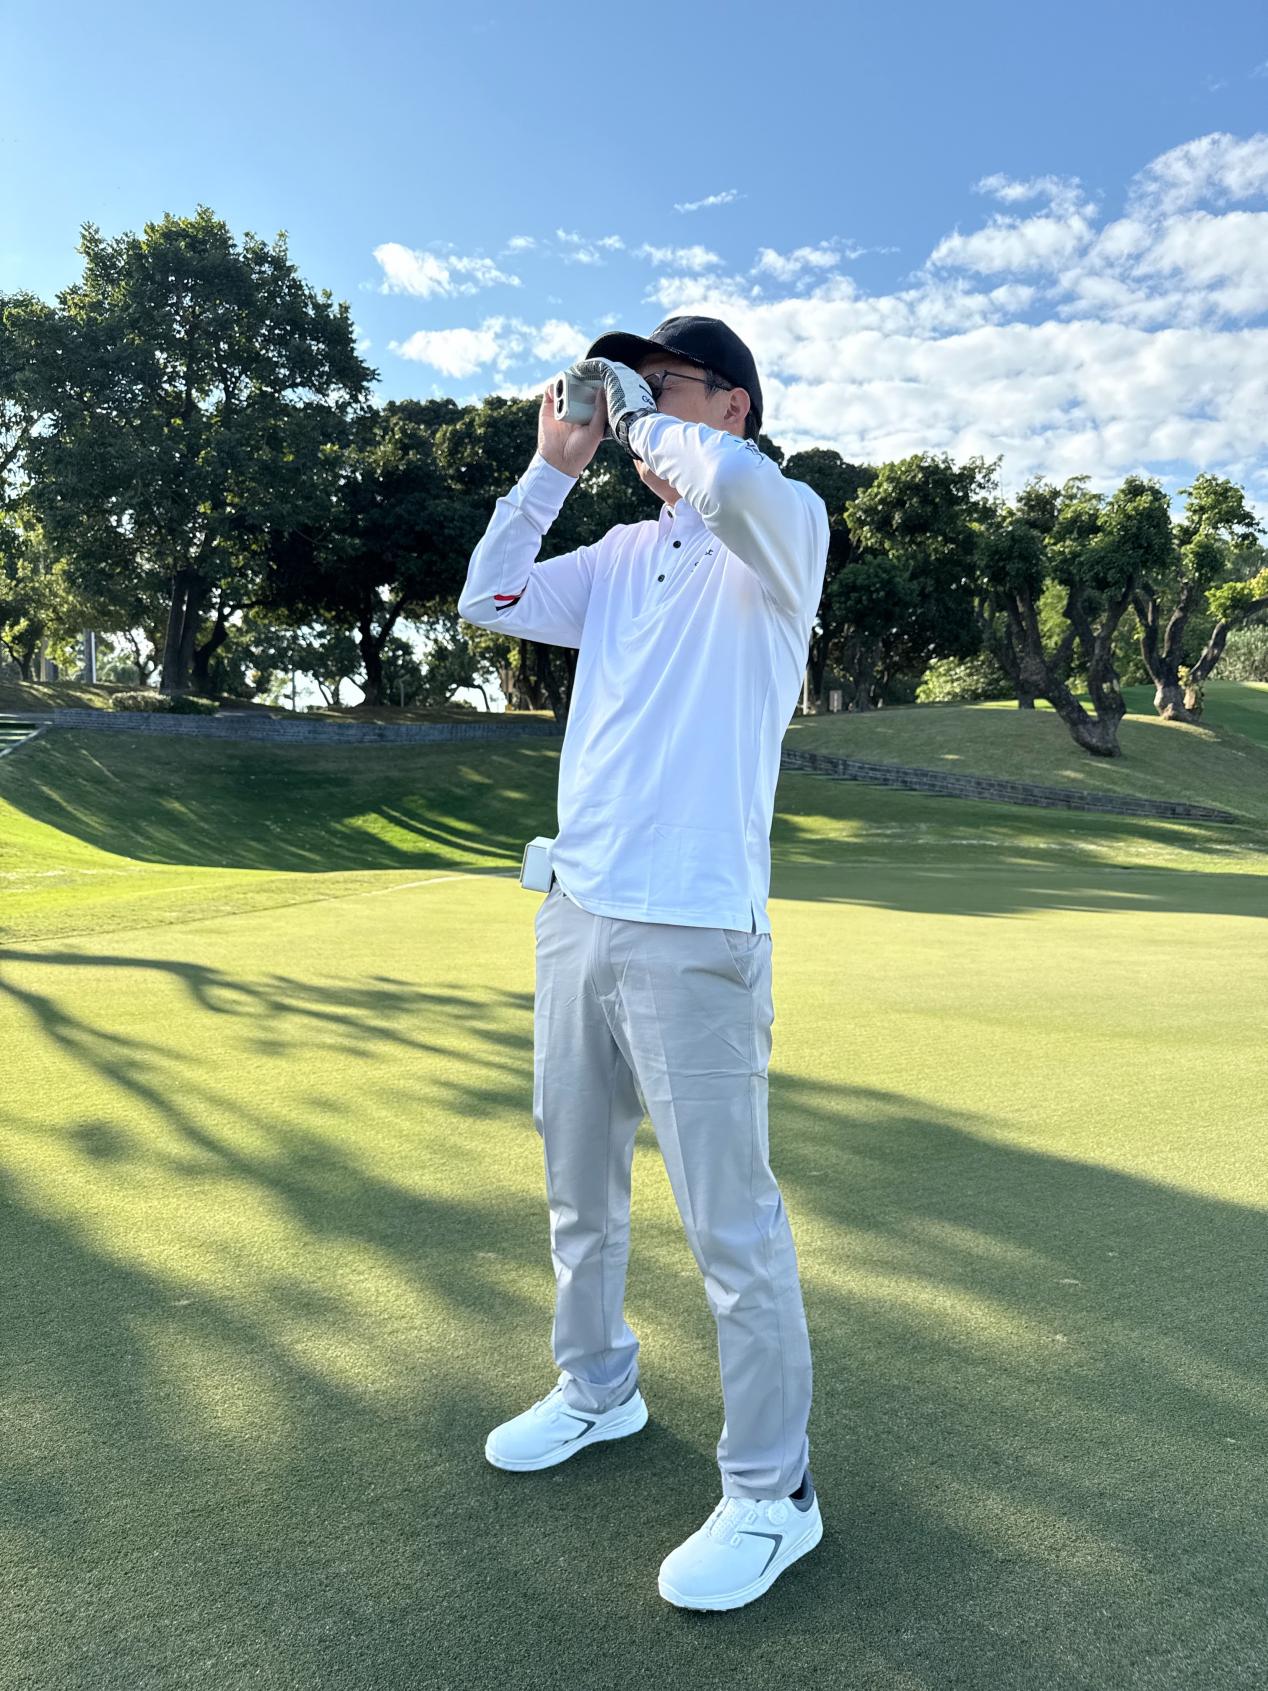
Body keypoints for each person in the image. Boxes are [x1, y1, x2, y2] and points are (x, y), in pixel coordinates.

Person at [457, 314, 830, 1611]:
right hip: (579, 911)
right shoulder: (620, 552)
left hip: (697, 929)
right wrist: (550, 468)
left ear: (731, 406)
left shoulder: (782, 528)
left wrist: (637, 418)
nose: (635, 405)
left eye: (668, 385)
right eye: (630, 384)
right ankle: (596, 1389)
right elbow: (490, 595)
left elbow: (727, 488)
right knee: (579, 1191)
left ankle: (774, 1494)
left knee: (731, 1228)